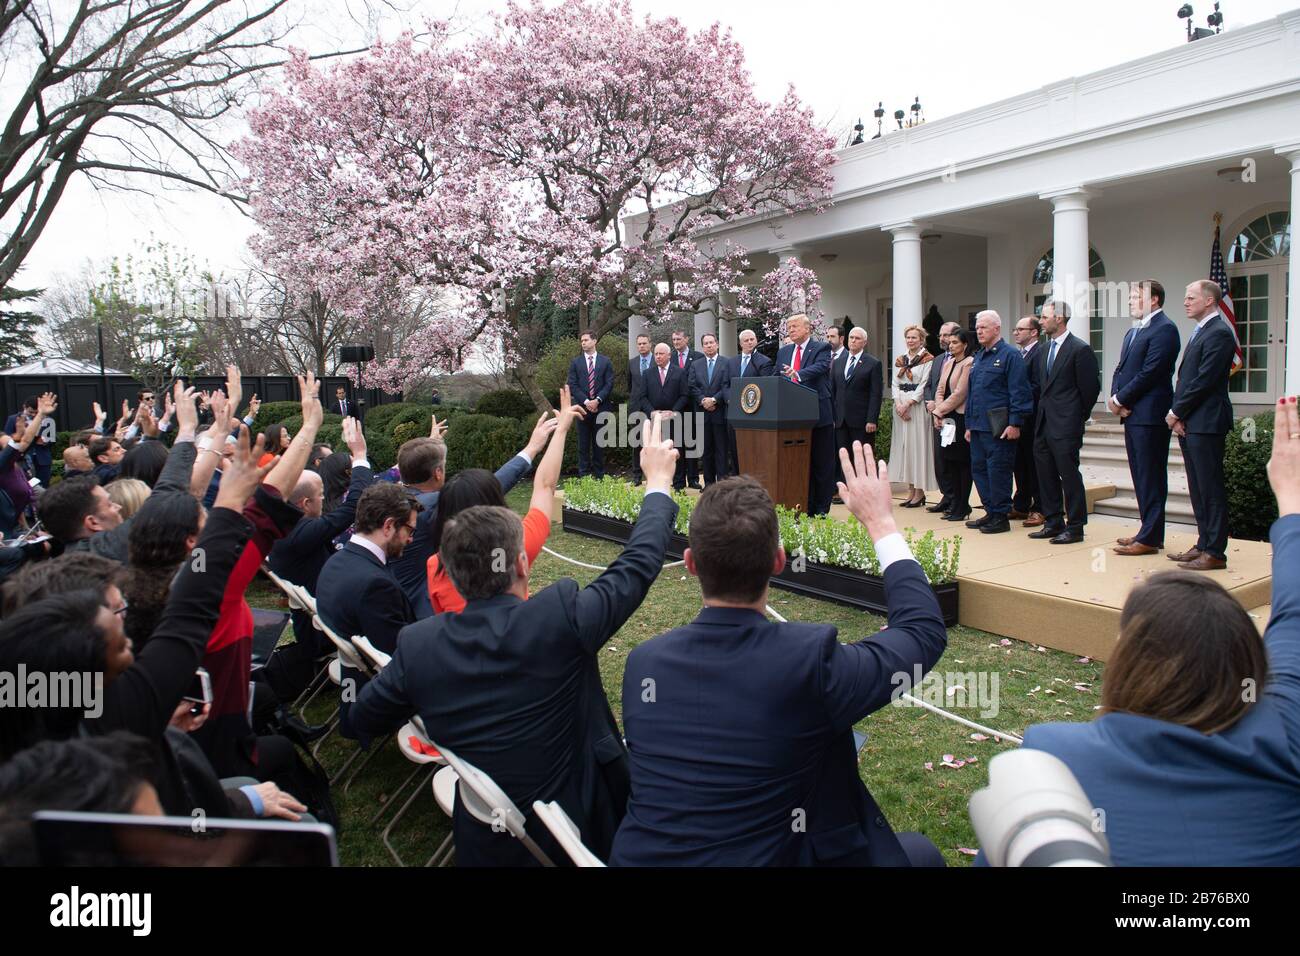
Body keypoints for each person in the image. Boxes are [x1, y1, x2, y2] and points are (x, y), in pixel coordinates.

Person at [350, 414, 680, 866]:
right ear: (522, 565)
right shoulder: (557, 620)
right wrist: (657, 483)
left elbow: (362, 718)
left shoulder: (419, 646)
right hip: (576, 829)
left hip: (483, 837)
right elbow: (638, 563)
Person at [610, 444, 948, 866]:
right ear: (779, 561)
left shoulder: (644, 665)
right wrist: (881, 524)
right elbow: (921, 632)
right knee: (921, 855)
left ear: (691, 564)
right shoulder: (810, 663)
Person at [1020, 396, 1300, 865]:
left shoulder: (1054, 755)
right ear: (1247, 660)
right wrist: (1290, 503)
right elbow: (1292, 613)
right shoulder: (1285, 734)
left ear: (1129, 660)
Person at [426, 385, 576, 614]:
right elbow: (545, 486)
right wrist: (562, 431)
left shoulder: (436, 565)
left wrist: (533, 448)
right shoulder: (516, 547)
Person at [391, 415, 550, 618]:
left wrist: (427, 447)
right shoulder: (427, 505)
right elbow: (488, 485)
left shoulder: (394, 495)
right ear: (438, 473)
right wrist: (532, 448)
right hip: (425, 608)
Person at [262, 417, 375, 699]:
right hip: (328, 623)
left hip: (313, 613)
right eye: (321, 495)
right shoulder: (302, 533)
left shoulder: (283, 526)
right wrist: (360, 456)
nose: (325, 500)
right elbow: (352, 507)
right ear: (306, 504)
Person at [37, 383, 199, 563]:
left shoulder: (70, 562)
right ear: (92, 522)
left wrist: (151, 437)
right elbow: (163, 498)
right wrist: (186, 429)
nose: (118, 507)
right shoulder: (104, 552)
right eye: (109, 504)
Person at [315, 481, 422, 735]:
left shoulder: (336, 562)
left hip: (356, 676)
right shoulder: (375, 586)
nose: (411, 538)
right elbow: (400, 654)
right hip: (382, 689)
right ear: (388, 526)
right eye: (409, 530)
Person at [1167, 280, 1238, 571]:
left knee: (1210, 488)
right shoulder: (1202, 331)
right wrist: (1182, 417)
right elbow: (1187, 379)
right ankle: (1204, 542)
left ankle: (1215, 553)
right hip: (1193, 421)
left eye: (1191, 297)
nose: (1185, 301)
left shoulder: (1220, 332)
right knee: (1197, 488)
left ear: (1209, 301)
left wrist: (1175, 412)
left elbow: (1204, 381)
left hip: (1208, 422)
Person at [1111, 280, 1181, 556]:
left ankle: (1150, 538)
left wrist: (1121, 399)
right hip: (1132, 414)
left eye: (1135, 296)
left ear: (1154, 300)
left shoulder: (1165, 329)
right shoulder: (1133, 331)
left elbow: (1151, 372)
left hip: (1150, 415)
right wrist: (1117, 398)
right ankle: (1147, 531)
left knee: (1151, 475)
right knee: (1140, 475)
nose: (1129, 300)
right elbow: (1121, 369)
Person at [1028, 301, 1100, 545]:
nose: (1041, 321)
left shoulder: (1079, 349)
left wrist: (1076, 416)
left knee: (1068, 475)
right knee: (1045, 475)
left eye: (1045, 316)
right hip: (1043, 424)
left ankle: (1076, 526)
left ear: (1059, 318)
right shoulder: (1043, 350)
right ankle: (1053, 521)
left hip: (1066, 425)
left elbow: (1090, 389)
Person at [965, 310, 1033, 534]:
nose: (979, 331)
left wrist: (1015, 423)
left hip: (999, 428)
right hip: (978, 426)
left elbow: (1019, 392)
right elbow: (973, 393)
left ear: (997, 328)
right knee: (979, 470)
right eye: (977, 328)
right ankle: (990, 511)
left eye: (983, 327)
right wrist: (969, 425)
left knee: (998, 471)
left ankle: (1001, 516)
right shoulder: (979, 356)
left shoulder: (1010, 355)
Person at [777, 314, 835, 515]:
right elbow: (778, 377)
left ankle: (821, 509)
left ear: (807, 328)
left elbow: (820, 367)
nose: (790, 330)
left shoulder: (821, 348)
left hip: (818, 413)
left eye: (794, 326)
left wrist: (798, 374)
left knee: (821, 463)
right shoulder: (784, 352)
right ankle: (804, 504)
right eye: (789, 327)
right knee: (800, 464)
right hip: (791, 417)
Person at [931, 328, 975, 522]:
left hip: (960, 417)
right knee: (949, 461)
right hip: (947, 417)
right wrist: (938, 411)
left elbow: (960, 393)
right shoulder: (948, 363)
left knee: (962, 463)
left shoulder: (969, 363)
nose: (951, 345)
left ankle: (963, 505)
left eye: (955, 342)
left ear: (965, 344)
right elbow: (940, 389)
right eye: (950, 343)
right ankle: (954, 502)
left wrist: (939, 410)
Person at [891, 324, 936, 508]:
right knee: (905, 450)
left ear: (921, 340)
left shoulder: (927, 359)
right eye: (908, 337)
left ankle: (919, 491)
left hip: (916, 408)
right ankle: (910, 490)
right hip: (900, 407)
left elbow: (924, 384)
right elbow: (895, 383)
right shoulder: (901, 360)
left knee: (917, 449)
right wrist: (898, 404)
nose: (911, 340)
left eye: (914, 338)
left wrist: (909, 403)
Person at [832, 327, 883, 491]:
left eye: (857, 338)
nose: (853, 341)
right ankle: (845, 489)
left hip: (861, 420)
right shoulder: (838, 361)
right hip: (840, 419)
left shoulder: (873, 363)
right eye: (851, 338)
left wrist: (872, 419)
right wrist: (833, 415)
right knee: (843, 455)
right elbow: (833, 391)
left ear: (865, 342)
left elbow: (876, 394)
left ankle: (863, 488)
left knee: (860, 455)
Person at [636, 343, 689, 490]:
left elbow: (685, 395)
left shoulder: (679, 372)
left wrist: (673, 411)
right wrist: (652, 412)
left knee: (676, 451)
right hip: (655, 420)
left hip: (675, 419)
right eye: (656, 354)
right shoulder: (647, 373)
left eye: (661, 354)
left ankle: (679, 485)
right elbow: (643, 397)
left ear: (669, 355)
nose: (658, 356)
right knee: (655, 452)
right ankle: (657, 483)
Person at [1009, 315, 1045, 527]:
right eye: (1015, 329)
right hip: (1017, 417)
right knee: (1019, 464)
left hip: (1033, 418)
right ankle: (1021, 504)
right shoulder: (1017, 355)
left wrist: (1016, 396)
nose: (1016, 333)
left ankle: (1039, 507)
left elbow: (1037, 385)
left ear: (1033, 332)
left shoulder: (1040, 353)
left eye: (1021, 329)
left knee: (1034, 465)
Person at [566, 331, 614, 479]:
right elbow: (572, 384)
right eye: (582, 341)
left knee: (599, 445)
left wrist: (597, 400)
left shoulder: (606, 362)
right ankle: (584, 477)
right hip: (582, 409)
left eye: (586, 340)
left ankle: (600, 477)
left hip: (601, 408)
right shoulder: (576, 362)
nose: (583, 343)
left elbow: (609, 383)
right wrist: (587, 402)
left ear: (594, 341)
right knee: (583, 445)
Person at [727, 329, 773, 475]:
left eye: (752, 339)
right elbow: (724, 384)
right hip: (734, 412)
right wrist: (731, 399)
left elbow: (765, 387)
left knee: (752, 450)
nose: (749, 343)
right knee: (735, 449)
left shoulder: (764, 362)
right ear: (740, 343)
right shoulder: (731, 362)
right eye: (746, 340)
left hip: (753, 414)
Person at [923, 322, 958, 513]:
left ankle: (955, 499)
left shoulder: (964, 360)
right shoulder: (937, 360)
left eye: (947, 335)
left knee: (951, 456)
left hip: (952, 417)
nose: (943, 339)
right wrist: (930, 401)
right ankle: (946, 495)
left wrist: (942, 407)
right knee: (940, 458)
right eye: (941, 335)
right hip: (936, 416)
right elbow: (929, 385)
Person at [687, 332, 731, 486]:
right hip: (702, 414)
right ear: (702, 346)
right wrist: (703, 400)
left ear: (717, 344)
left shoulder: (727, 363)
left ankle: (723, 485)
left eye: (711, 342)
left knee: (721, 451)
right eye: (706, 343)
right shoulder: (695, 364)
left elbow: (727, 385)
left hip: (719, 413)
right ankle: (709, 485)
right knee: (706, 452)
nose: (709, 345)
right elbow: (692, 386)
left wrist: (714, 400)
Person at [671, 329, 705, 488]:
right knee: (677, 444)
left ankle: (693, 479)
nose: (676, 342)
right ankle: (678, 480)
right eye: (674, 340)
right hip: (676, 407)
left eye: (678, 339)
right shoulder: (669, 357)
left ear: (686, 339)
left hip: (693, 406)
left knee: (692, 444)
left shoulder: (698, 356)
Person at [5, 394, 53, 487]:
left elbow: (53, 438)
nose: (34, 415)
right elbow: (7, 437)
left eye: (36, 412)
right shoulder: (13, 419)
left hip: (42, 459)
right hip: (22, 459)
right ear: (24, 407)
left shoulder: (48, 420)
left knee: (44, 485)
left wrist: (46, 441)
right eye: (31, 412)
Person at [627, 332, 654, 483]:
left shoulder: (657, 361)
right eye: (639, 344)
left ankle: (653, 475)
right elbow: (630, 386)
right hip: (636, 409)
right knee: (637, 443)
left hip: (653, 407)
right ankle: (636, 475)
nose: (642, 346)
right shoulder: (632, 363)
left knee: (654, 442)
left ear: (650, 344)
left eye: (644, 343)